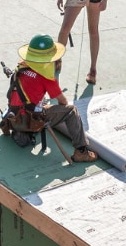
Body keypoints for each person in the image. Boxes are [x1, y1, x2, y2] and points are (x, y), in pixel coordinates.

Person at [7, 35, 98, 163]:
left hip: (13, 117)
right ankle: (81, 151)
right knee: (71, 110)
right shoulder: (47, 78)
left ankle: (22, 131)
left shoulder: (20, 68)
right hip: (29, 119)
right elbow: (63, 102)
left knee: (36, 102)